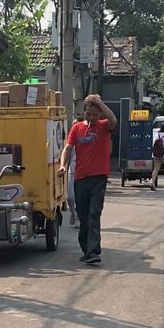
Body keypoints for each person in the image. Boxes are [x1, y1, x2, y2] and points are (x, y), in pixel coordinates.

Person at [59, 93, 117, 266]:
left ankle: (93, 251)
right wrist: (63, 165)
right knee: (83, 216)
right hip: (80, 178)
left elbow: (113, 119)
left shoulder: (104, 126)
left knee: (94, 214)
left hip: (98, 178)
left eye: (95, 115)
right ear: (84, 112)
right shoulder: (76, 128)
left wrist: (100, 102)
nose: (91, 118)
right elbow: (67, 148)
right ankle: (86, 250)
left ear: (99, 115)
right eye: (88, 114)